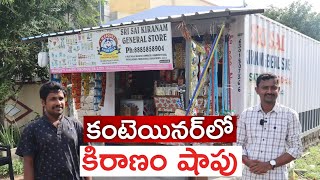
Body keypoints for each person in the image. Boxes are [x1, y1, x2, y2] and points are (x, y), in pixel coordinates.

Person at [16, 81, 91, 180]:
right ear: (43, 102)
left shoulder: (75, 125)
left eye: (61, 98)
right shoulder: (32, 129)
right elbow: (28, 163)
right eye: (53, 99)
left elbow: (86, 157)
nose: (58, 103)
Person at [236, 73, 303, 180]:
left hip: (277, 176)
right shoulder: (246, 114)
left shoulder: (290, 115)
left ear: (278, 89)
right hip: (249, 175)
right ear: (257, 90)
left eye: (273, 88)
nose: (269, 91)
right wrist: (248, 162)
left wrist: (269, 164)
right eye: (265, 88)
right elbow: (238, 144)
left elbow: (296, 148)